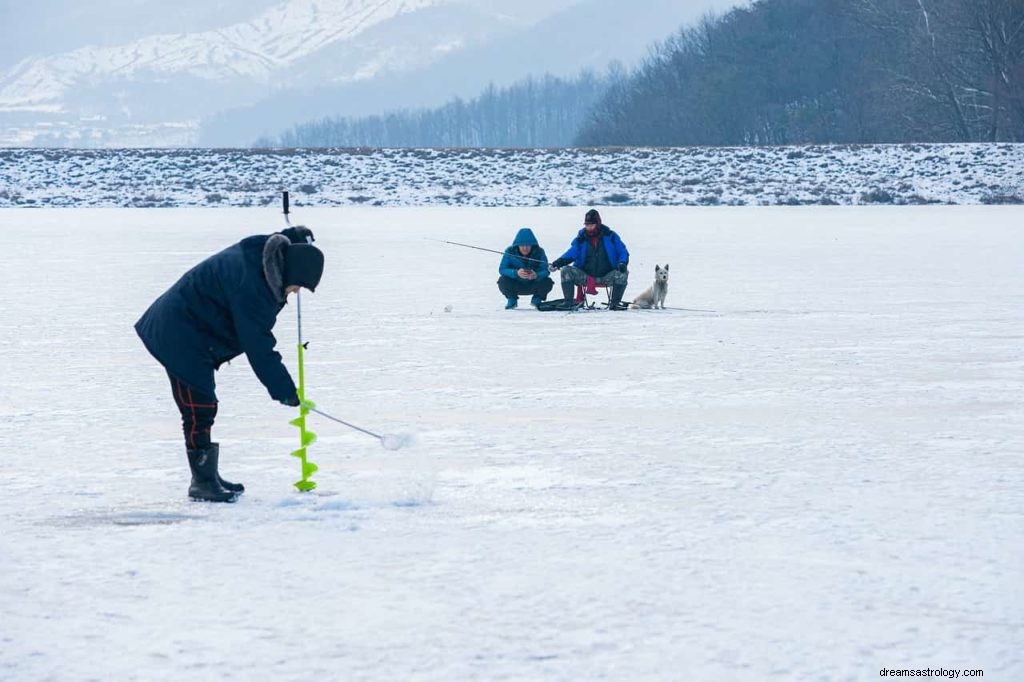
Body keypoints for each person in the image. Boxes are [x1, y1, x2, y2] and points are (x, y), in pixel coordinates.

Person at [135, 226, 324, 503]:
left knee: (202, 406)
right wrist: (284, 389)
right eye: (298, 286)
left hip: (194, 329)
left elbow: (285, 246)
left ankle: (208, 476)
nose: (295, 292)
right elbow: (258, 344)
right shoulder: (253, 286)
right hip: (178, 332)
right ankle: (202, 482)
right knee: (199, 407)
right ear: (290, 272)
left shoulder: (265, 258)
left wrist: (295, 236)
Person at [549, 209, 630, 309]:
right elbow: (571, 253)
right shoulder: (581, 239)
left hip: (607, 276)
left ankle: (615, 303)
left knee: (623, 273)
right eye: (587, 225)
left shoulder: (611, 236)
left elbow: (622, 251)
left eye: (591, 224)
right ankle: (568, 302)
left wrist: (622, 263)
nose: (588, 227)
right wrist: (557, 263)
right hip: (585, 277)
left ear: (598, 224)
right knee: (566, 270)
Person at [497, 227, 554, 309]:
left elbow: (546, 270)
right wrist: (516, 273)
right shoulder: (509, 251)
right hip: (516, 283)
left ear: (532, 245)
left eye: (528, 245)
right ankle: (512, 299)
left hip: (533, 283)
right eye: (522, 245)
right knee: (503, 280)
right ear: (517, 245)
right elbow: (502, 269)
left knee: (547, 281)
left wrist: (536, 275)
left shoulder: (540, 252)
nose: (525, 248)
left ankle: (537, 299)